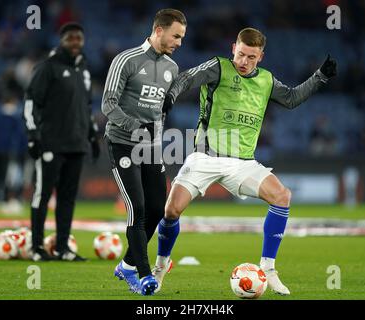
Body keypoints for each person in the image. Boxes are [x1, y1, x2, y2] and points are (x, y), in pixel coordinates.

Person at [153, 27, 337, 295]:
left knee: (282, 196)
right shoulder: (218, 67)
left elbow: (292, 98)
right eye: (240, 54)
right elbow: (185, 79)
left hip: (242, 163)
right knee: (171, 211)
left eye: (251, 57)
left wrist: (319, 77)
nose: (243, 62)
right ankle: (160, 267)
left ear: (261, 56)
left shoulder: (266, 80)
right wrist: (172, 95)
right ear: (233, 48)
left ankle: (269, 268)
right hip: (205, 157)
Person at [101, 9, 187, 295]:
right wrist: (136, 126)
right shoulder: (125, 60)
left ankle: (126, 264)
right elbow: (108, 105)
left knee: (156, 210)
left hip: (152, 149)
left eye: (182, 37)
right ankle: (143, 274)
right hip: (123, 143)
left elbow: (161, 110)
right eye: (176, 35)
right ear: (159, 30)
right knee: (136, 208)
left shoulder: (171, 69)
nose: (179, 42)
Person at [24, 22, 101, 262]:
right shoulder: (47, 67)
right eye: (71, 38)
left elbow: (85, 107)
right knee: (42, 194)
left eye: (79, 38)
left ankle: (62, 248)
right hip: (50, 142)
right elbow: (30, 102)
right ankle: (36, 247)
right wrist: (33, 136)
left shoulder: (84, 70)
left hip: (76, 144)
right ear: (62, 41)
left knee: (67, 198)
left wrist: (92, 134)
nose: (76, 42)